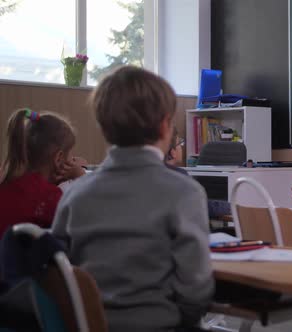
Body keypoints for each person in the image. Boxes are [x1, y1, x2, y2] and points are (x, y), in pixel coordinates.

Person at [52, 66, 213, 332]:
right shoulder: (184, 191)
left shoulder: (75, 194)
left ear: (104, 128)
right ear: (165, 125)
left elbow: (61, 272)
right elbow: (195, 287)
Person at [0, 108, 84, 236]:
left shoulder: (6, 179)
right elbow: (81, 227)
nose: (72, 159)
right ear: (58, 158)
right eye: (70, 155)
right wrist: (81, 178)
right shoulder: (50, 196)